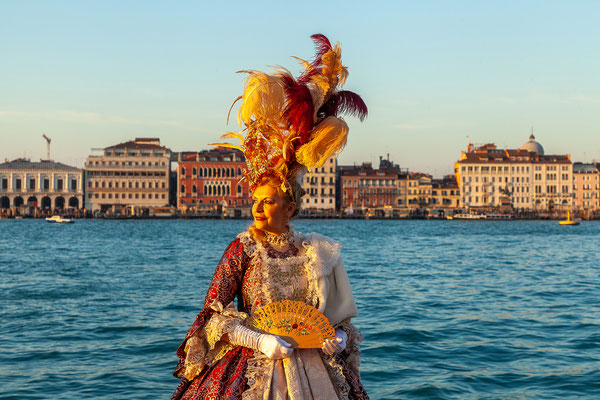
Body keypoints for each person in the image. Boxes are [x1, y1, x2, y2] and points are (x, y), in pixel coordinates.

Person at [171, 34, 369, 400]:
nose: (259, 209)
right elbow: (212, 317)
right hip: (256, 361)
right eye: (257, 201)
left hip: (315, 366)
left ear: (290, 207)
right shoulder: (242, 250)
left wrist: (336, 338)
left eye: (270, 202)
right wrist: (257, 339)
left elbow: (338, 319)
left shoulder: (317, 252)